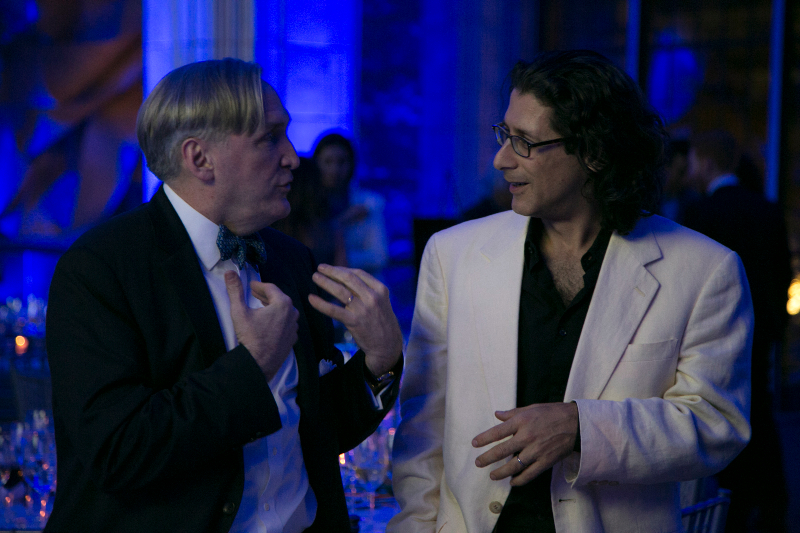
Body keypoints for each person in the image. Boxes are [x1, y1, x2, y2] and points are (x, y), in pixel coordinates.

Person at [389, 50, 752, 533]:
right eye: (504, 134)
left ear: (595, 153)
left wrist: (581, 428)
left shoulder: (705, 269)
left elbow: (716, 424)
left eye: (524, 142)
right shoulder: (451, 254)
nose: (500, 160)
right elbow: (422, 427)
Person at [44, 58, 405, 533]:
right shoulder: (100, 268)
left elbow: (315, 430)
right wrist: (252, 367)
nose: (293, 157)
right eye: (270, 138)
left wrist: (379, 361)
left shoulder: (289, 258)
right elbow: (117, 451)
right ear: (199, 159)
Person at [683, 130, 791, 533]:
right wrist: (777, 326)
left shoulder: (700, 214)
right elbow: (782, 274)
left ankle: (735, 501)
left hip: (715, 330)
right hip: (761, 331)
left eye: (693, 161)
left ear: (706, 162)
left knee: (720, 407)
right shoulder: (767, 208)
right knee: (758, 408)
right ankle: (769, 502)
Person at [312, 133, 389, 276]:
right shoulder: (307, 204)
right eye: (327, 162)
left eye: (341, 162)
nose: (335, 170)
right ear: (316, 164)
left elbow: (379, 257)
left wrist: (337, 261)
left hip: (363, 285)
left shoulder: (368, 203)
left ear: (352, 164)